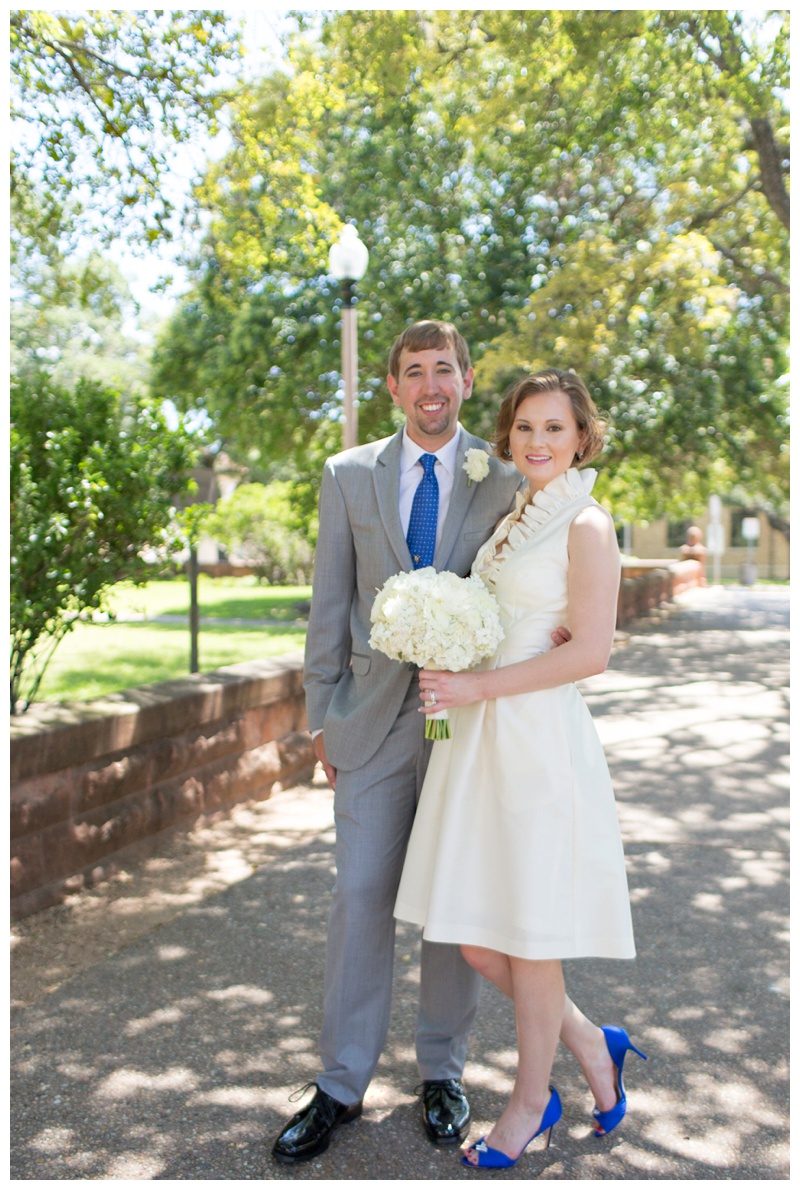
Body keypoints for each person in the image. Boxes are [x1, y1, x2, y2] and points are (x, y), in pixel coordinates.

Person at [271, 320, 528, 1164]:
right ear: (392, 387)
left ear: (464, 378)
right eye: (413, 372)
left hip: (467, 724)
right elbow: (328, 600)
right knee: (360, 898)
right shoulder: (349, 475)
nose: (430, 386)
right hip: (370, 722)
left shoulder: (504, 474)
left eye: (443, 370)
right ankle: (341, 1084)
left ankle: (443, 1071)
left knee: (451, 901)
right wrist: (321, 714)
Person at [395, 368, 647, 1170]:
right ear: (509, 437)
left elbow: (595, 653)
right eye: (526, 428)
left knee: (531, 939)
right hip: (477, 739)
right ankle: (590, 1042)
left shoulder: (587, 524)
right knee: (477, 939)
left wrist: (477, 683)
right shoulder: (517, 517)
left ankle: (531, 1101)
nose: (539, 441)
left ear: (582, 438)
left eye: (556, 428)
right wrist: (448, 661)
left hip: (536, 744)